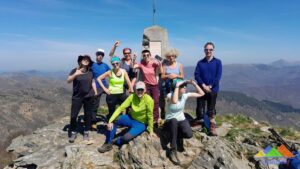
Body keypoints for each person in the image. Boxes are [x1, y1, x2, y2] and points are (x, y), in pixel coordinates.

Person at [98, 81, 156, 153]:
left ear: (145, 90)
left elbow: (150, 116)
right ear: (135, 90)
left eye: (142, 90)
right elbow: (121, 108)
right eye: (138, 90)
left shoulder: (149, 100)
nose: (140, 91)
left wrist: (151, 131)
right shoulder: (132, 96)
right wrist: (110, 121)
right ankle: (108, 143)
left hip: (141, 123)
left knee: (126, 138)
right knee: (114, 120)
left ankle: (117, 141)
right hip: (131, 118)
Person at [164, 79, 204, 165]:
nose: (185, 87)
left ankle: (177, 135)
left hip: (181, 120)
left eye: (185, 86)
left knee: (189, 134)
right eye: (183, 86)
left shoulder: (184, 95)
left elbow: (202, 94)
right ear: (177, 88)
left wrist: (194, 83)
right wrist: (177, 86)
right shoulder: (169, 95)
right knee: (174, 120)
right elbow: (174, 101)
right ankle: (173, 149)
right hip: (170, 122)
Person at [194, 42, 222, 136]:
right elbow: (197, 75)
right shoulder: (200, 62)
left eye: (210, 49)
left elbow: (218, 77)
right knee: (199, 107)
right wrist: (203, 85)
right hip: (201, 88)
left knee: (211, 108)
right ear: (204, 50)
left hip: (212, 89)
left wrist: (209, 86)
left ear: (213, 50)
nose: (208, 51)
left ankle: (211, 126)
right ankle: (200, 122)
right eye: (206, 49)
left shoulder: (218, 62)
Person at [67, 55, 94, 143]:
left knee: (87, 115)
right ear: (80, 61)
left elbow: (92, 81)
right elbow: (68, 80)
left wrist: (95, 91)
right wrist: (76, 74)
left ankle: (86, 131)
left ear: (89, 62)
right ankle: (73, 131)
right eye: (84, 59)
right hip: (77, 97)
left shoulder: (90, 71)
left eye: (88, 60)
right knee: (74, 115)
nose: (86, 61)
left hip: (88, 96)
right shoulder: (75, 70)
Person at [134, 50, 162, 124]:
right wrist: (134, 59)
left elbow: (161, 72)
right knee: (148, 102)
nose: (146, 56)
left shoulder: (154, 63)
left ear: (150, 55)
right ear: (142, 56)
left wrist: (160, 64)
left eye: (147, 55)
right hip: (146, 85)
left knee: (156, 101)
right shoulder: (141, 64)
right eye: (144, 55)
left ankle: (155, 118)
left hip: (154, 85)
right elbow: (133, 67)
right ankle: (148, 117)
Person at [160, 48, 184, 119]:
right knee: (168, 101)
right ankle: (167, 116)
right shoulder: (165, 65)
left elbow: (182, 76)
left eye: (172, 56)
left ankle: (177, 115)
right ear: (167, 57)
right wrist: (168, 75)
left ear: (175, 56)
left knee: (176, 101)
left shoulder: (179, 65)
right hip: (167, 86)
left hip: (176, 87)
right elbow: (162, 76)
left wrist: (176, 75)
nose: (171, 58)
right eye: (169, 56)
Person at [90, 49, 111, 130]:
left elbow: (111, 73)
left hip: (104, 86)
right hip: (97, 87)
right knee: (95, 105)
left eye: (102, 55)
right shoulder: (92, 65)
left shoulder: (105, 65)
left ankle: (110, 118)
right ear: (96, 55)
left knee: (111, 99)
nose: (100, 56)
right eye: (99, 54)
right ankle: (93, 122)